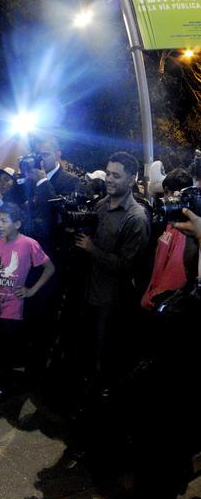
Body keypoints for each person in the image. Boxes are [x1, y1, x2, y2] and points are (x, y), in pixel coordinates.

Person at [73, 152, 150, 396]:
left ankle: (100, 401)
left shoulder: (136, 218)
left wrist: (92, 249)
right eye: (108, 173)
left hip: (112, 302)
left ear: (131, 179)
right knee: (87, 352)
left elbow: (128, 265)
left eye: (116, 175)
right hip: (89, 293)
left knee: (105, 358)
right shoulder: (100, 206)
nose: (109, 179)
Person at [0, 203, 54, 402]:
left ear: (17, 224)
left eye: (4, 221)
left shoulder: (29, 244)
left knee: (5, 348)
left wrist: (32, 290)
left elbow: (49, 268)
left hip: (13, 308)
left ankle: (3, 385)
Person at [141, 169, 199, 310]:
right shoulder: (170, 224)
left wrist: (155, 299)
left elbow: (176, 275)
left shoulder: (186, 230)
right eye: (165, 192)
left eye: (170, 193)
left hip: (161, 302)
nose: (166, 198)